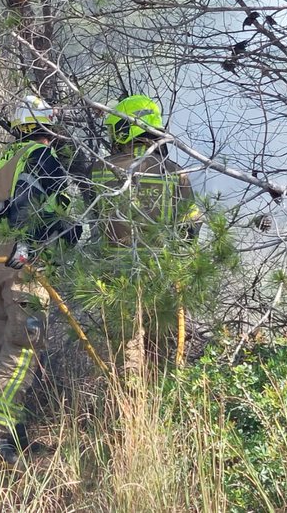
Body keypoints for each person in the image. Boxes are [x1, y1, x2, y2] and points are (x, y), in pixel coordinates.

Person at [0, 95, 80, 463]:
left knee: (8, 354)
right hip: (26, 270)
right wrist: (60, 240)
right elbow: (63, 213)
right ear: (45, 127)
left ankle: (14, 436)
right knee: (22, 353)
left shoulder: (1, 163)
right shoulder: (44, 159)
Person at [89, 94, 201, 369]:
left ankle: (125, 403)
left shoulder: (100, 170)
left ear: (124, 128)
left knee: (123, 350)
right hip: (160, 273)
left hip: (114, 274)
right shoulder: (175, 173)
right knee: (161, 350)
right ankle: (157, 403)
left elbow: (95, 222)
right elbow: (191, 224)